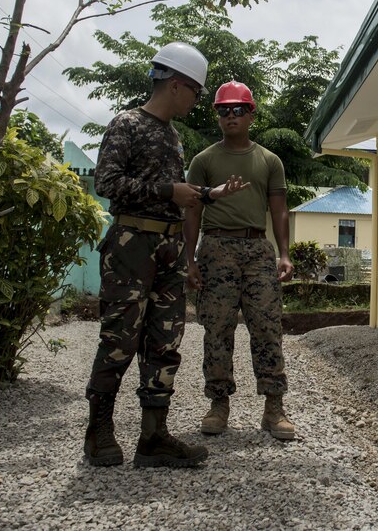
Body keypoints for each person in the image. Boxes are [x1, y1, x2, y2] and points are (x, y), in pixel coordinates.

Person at [83, 42, 247, 468]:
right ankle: (98, 432)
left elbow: (169, 195)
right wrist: (167, 191)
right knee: (119, 339)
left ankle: (153, 437)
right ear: (177, 85)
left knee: (165, 343)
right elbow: (107, 182)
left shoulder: (171, 134)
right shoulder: (128, 124)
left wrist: (204, 195)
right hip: (131, 247)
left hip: (169, 249)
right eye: (195, 92)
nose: (197, 102)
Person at [184, 80, 297, 440]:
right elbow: (192, 214)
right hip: (216, 250)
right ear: (217, 115)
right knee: (217, 329)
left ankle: (274, 407)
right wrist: (190, 259)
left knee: (267, 327)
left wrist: (283, 253)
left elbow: (278, 211)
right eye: (223, 110)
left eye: (237, 110)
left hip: (257, 250)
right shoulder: (203, 161)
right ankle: (218, 405)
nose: (230, 116)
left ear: (251, 114)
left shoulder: (269, 161)